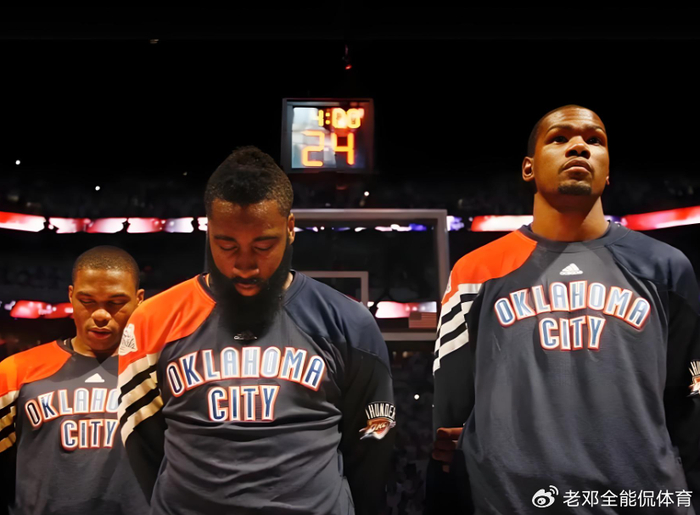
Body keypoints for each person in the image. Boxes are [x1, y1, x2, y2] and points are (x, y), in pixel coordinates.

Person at [427, 105, 700, 514]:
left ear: (608, 171)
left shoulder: (667, 267)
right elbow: (449, 425)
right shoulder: (475, 271)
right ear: (528, 168)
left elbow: (691, 405)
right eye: (559, 138)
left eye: (595, 140)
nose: (579, 147)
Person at [117, 146, 395, 515]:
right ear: (208, 231)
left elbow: (373, 443)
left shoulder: (349, 322)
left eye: (264, 245)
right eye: (226, 245)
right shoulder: (152, 320)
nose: (245, 265)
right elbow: (143, 445)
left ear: (290, 229)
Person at [0, 246, 148, 515]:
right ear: (71, 295)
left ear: (139, 300)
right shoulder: (16, 372)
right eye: (87, 301)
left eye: (115, 302)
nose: (101, 314)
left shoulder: (157, 371)